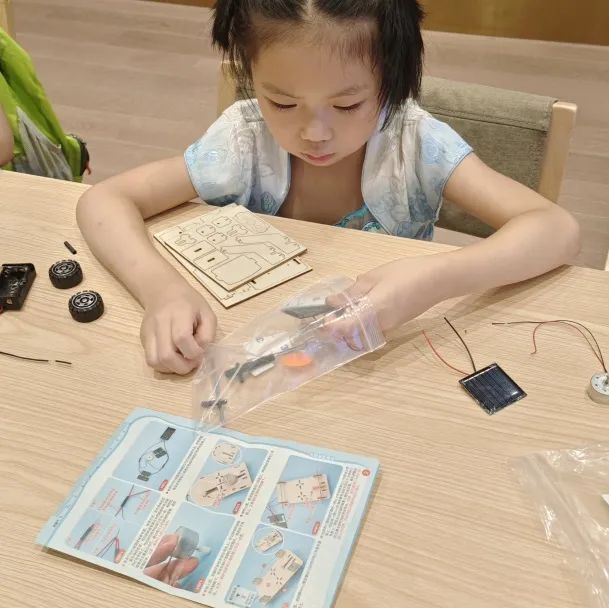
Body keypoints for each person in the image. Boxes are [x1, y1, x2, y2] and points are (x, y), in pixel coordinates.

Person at [76, 0, 580, 375]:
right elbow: (106, 199)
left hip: (387, 364)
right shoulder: (244, 140)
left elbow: (556, 229)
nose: (314, 133)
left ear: (393, 80)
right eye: (281, 102)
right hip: (260, 357)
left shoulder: (414, 143)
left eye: (346, 106)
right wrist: (163, 292)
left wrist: (435, 278)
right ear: (250, 73)